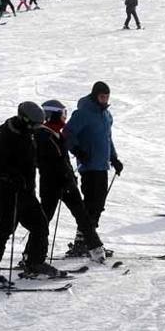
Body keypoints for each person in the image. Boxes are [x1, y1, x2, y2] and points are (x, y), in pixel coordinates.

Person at [0, 102, 63, 289]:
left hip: (27, 192)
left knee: (40, 224)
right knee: (3, 230)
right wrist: (13, 176)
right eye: (36, 124)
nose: (38, 128)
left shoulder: (29, 136)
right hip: (9, 193)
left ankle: (34, 264)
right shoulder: (5, 138)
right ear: (24, 120)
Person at [30, 99, 107, 263]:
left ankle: (95, 249)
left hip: (67, 184)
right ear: (52, 115)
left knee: (83, 216)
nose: (65, 118)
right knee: (43, 221)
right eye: (63, 114)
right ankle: (31, 255)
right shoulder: (42, 135)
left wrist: (70, 177)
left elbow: (63, 160)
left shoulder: (57, 134)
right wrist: (63, 177)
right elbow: (45, 163)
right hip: (52, 185)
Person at [64, 82, 123, 256]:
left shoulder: (106, 115)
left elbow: (107, 139)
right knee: (90, 204)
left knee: (98, 205)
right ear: (94, 95)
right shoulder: (83, 113)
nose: (105, 100)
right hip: (88, 166)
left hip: (102, 165)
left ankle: (88, 241)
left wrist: (114, 158)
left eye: (107, 97)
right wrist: (77, 151)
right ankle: (84, 243)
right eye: (102, 97)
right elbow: (67, 133)